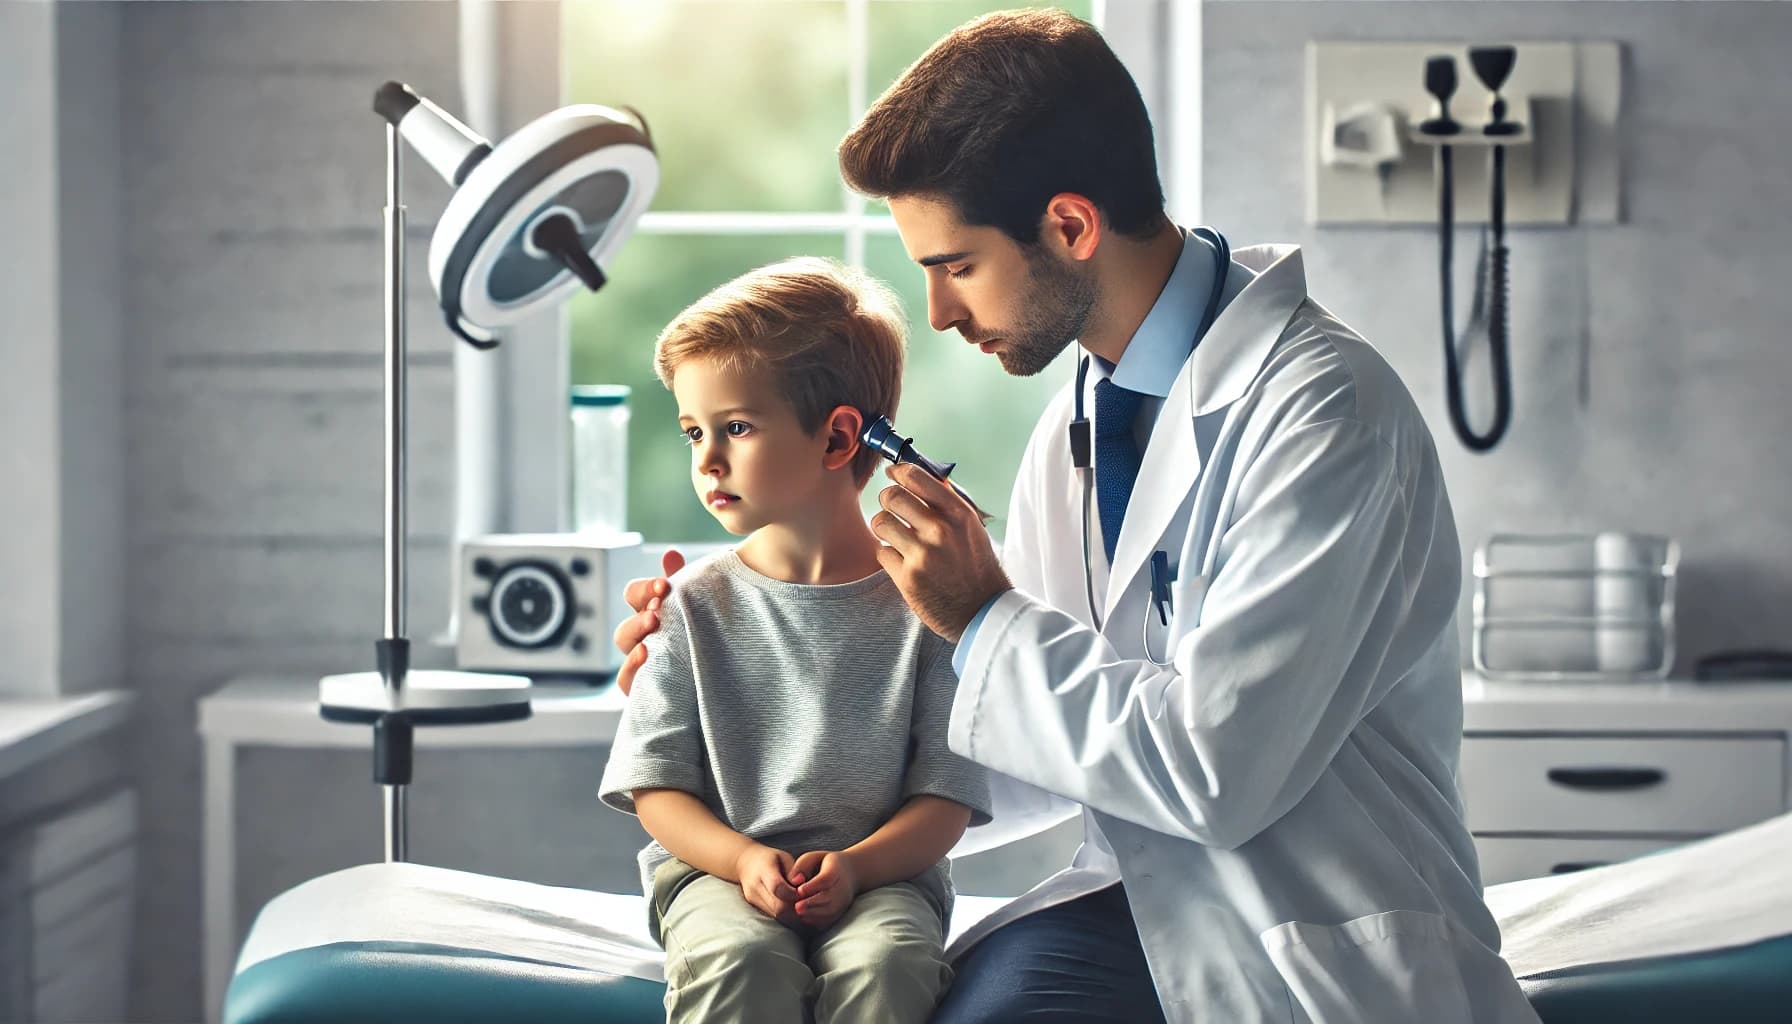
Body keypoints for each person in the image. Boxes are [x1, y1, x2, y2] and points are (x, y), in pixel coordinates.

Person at [617, 9, 1539, 1023]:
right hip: (1133, 900)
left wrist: (981, 616)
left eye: (954, 266)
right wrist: (760, 683)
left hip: (1302, 928)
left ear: (1067, 226)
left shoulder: (1326, 413)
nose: (938, 316)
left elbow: (1210, 776)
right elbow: (1046, 741)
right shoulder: (1084, 415)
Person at [597, 256, 992, 1024]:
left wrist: (857, 868)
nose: (706, 459)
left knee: (890, 965)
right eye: (692, 432)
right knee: (741, 960)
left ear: (840, 436)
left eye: (736, 427)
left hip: (887, 881)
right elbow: (657, 790)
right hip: (713, 876)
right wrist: (742, 860)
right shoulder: (687, 608)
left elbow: (944, 799)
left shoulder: (931, 611)